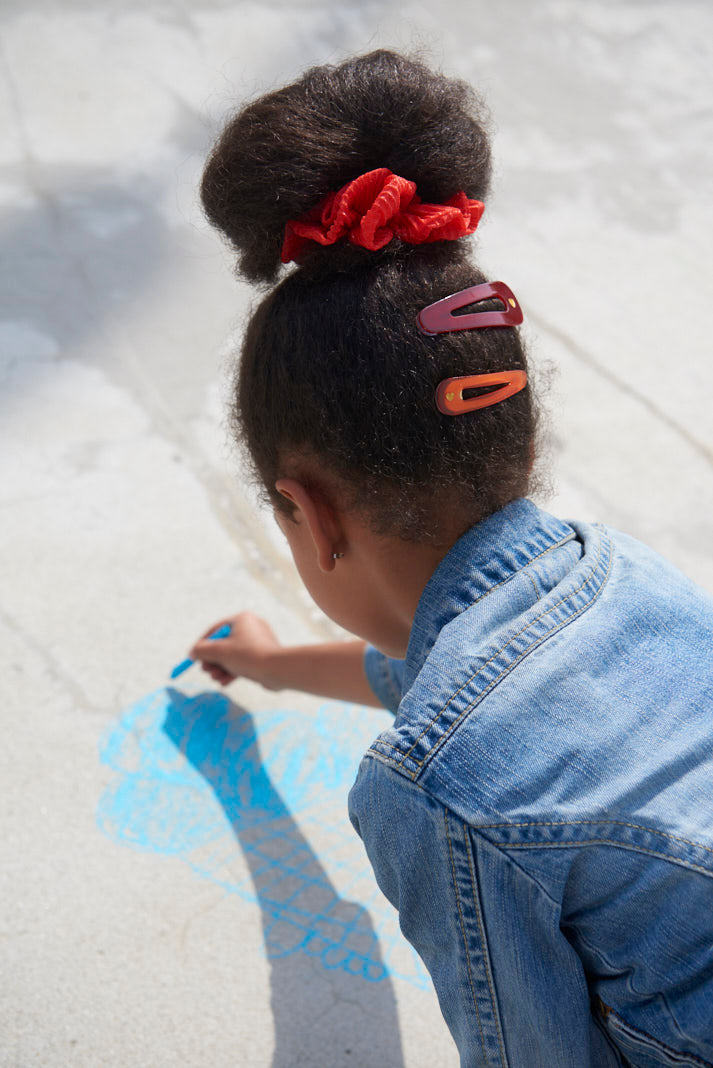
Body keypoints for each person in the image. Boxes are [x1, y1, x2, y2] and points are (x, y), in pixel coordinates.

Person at [189, 50, 713, 1066]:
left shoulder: (431, 788)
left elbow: (526, 1054)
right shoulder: (622, 577)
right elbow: (445, 685)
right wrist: (269, 664)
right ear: (508, 435)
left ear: (310, 514)